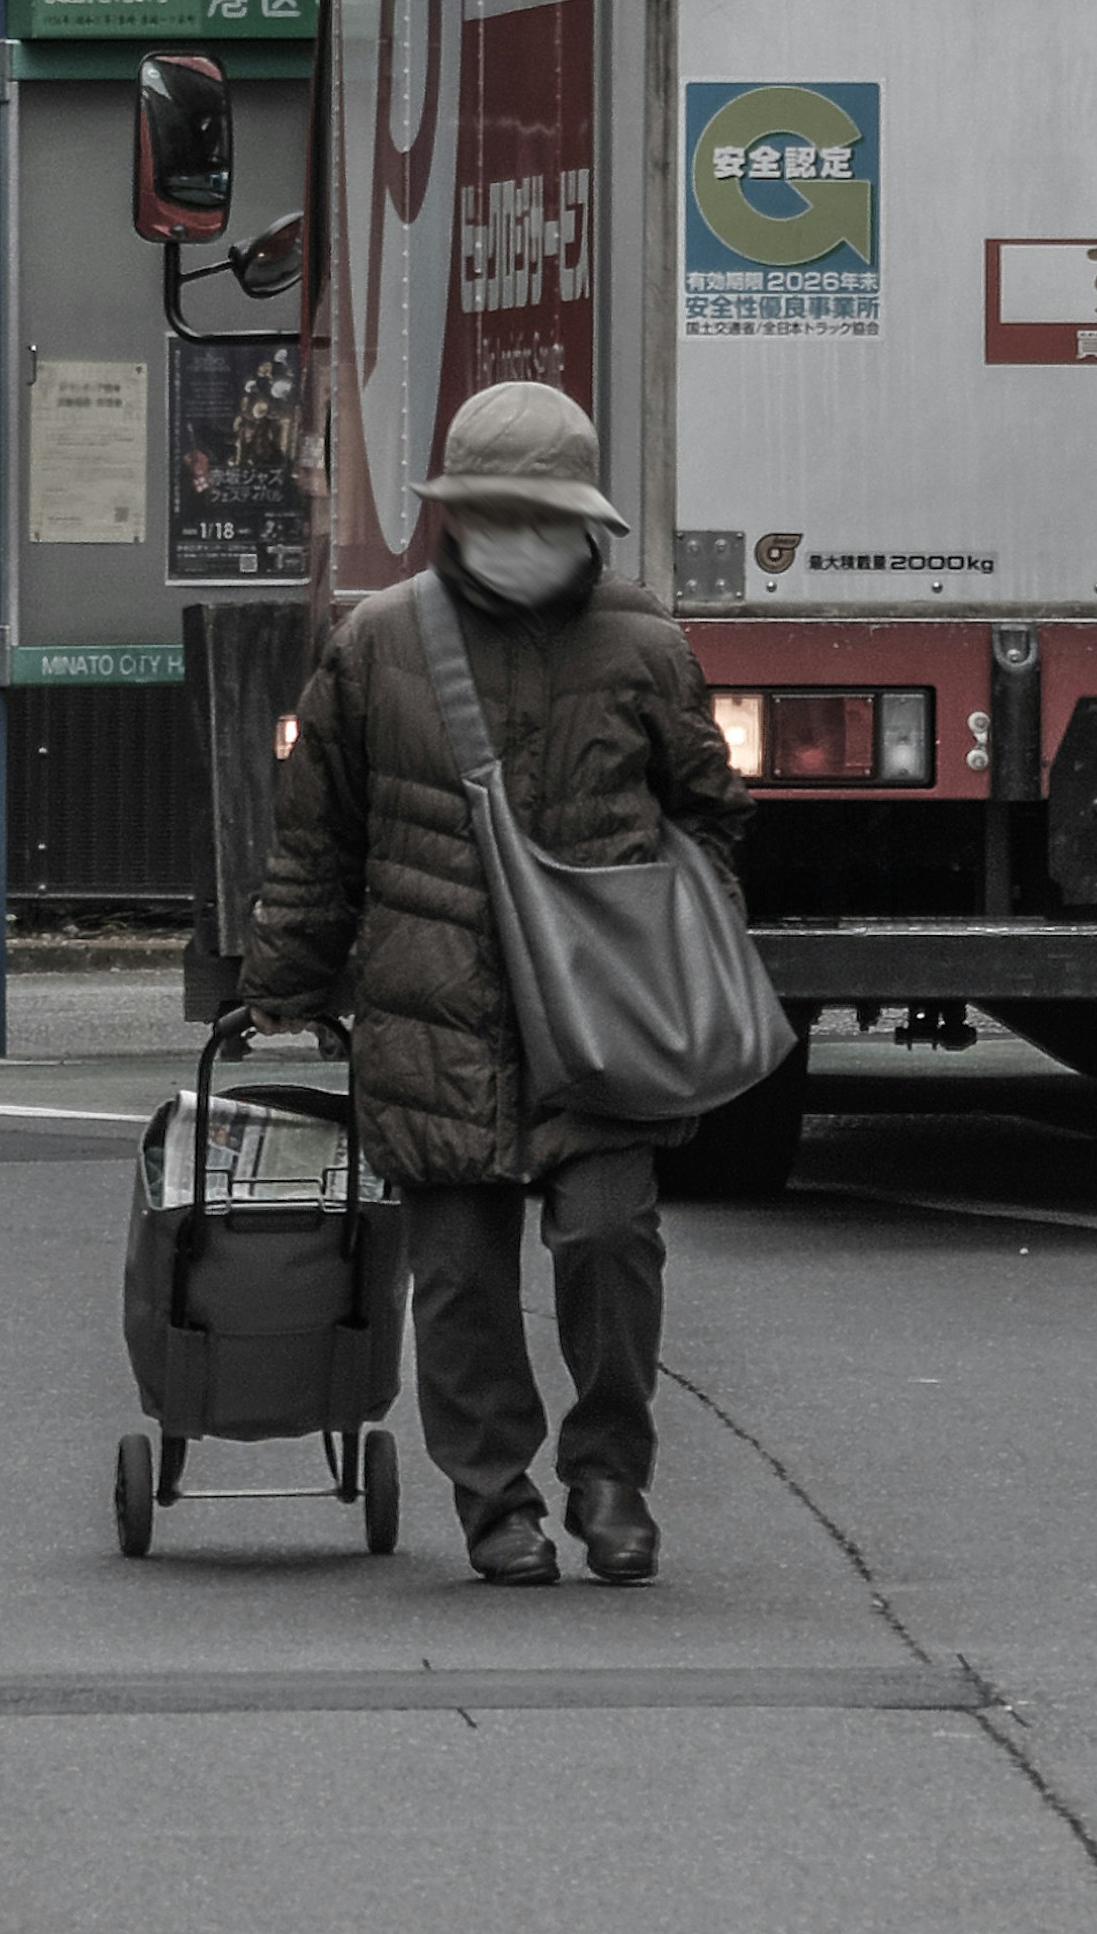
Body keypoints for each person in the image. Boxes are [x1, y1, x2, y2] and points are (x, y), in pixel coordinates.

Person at [238, 381, 748, 1587]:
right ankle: (494, 1502)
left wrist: (680, 930)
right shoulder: (377, 645)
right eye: (497, 513)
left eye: (543, 515)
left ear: (585, 524)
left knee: (612, 1240)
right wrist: (285, 986)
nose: (521, 538)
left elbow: (711, 818)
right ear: (458, 517)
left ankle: (612, 1474)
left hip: (603, 1014)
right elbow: (319, 838)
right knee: (459, 1277)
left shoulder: (645, 648)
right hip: (433, 1008)